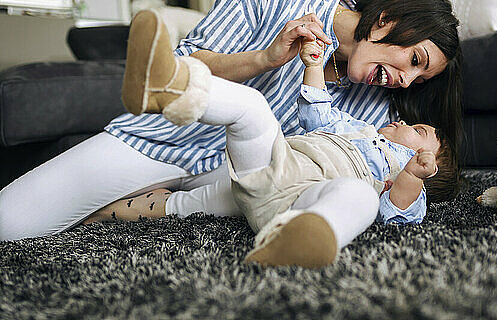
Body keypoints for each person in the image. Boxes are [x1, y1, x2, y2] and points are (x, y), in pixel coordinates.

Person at [0, 0, 461, 242]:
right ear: (387, 19)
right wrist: (264, 59)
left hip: (236, 184)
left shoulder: (378, 111)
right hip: (163, 138)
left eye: (420, 78)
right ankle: (135, 197)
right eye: (415, 60)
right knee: (9, 223)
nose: (406, 82)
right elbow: (186, 62)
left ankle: (157, 205)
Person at [84, 30, 459, 268]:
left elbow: (396, 215)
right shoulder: (359, 130)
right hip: (273, 164)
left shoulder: (401, 178)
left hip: (299, 200)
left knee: (358, 195)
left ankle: (301, 238)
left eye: (419, 131)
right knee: (252, 108)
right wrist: (313, 65)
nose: (406, 123)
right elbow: (317, 114)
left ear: (426, 165)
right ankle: (168, 85)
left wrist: (412, 176)